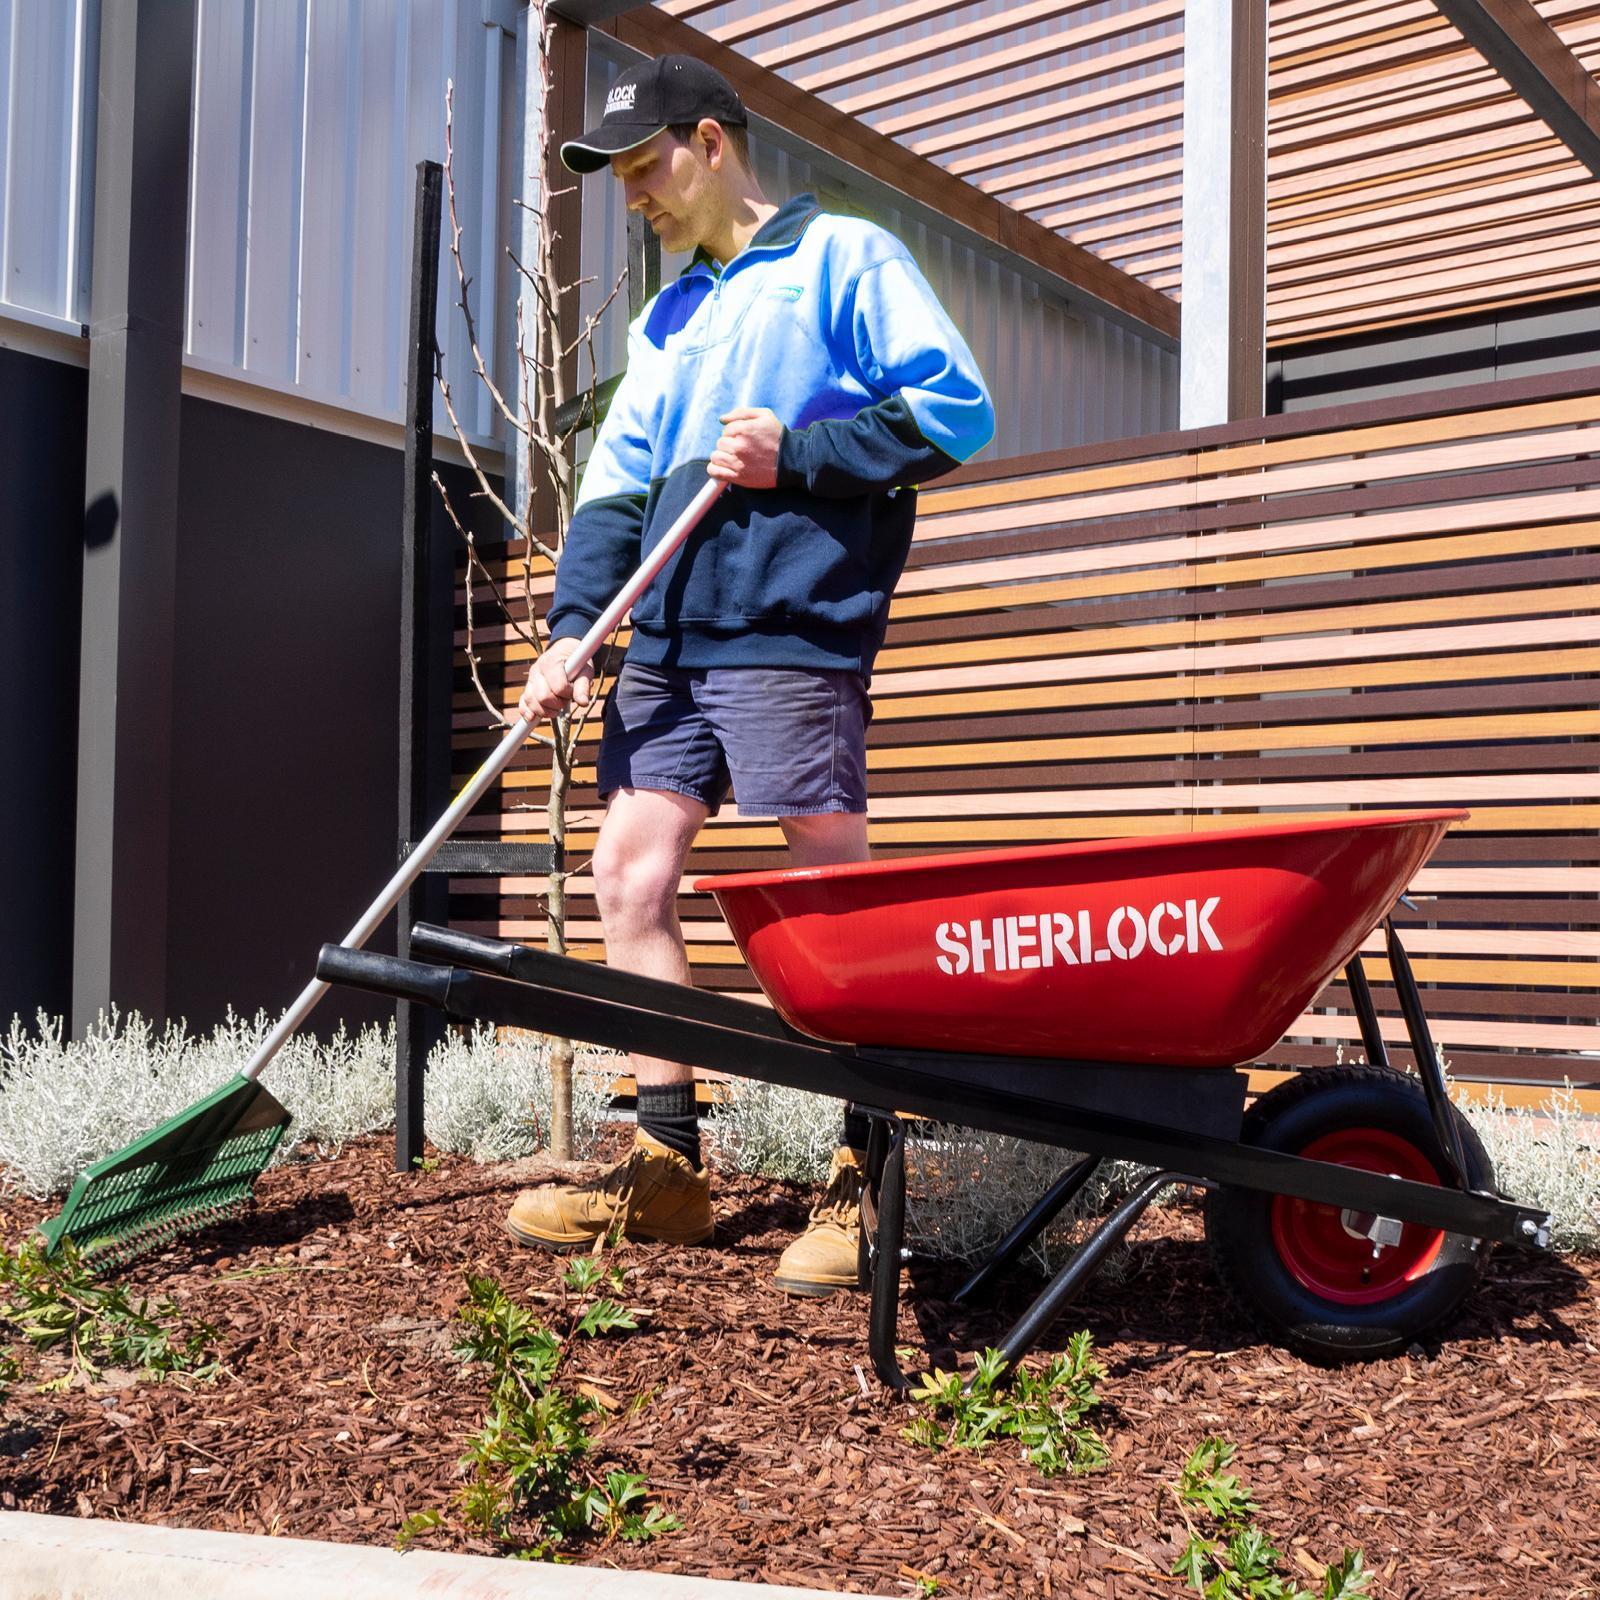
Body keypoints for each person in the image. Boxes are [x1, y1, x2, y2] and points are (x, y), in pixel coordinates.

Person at [505, 52, 994, 1296]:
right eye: (617, 177)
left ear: (711, 141)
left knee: (827, 896)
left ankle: (864, 1166)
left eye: (642, 166)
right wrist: (574, 625)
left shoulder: (845, 258)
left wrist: (802, 453)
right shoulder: (666, 319)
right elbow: (619, 490)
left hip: (785, 625)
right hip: (663, 640)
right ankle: (665, 1168)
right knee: (628, 871)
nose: (632, 196)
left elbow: (956, 414)